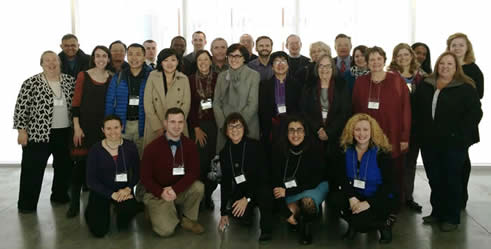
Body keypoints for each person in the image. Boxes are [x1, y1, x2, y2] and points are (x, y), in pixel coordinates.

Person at [415, 52, 482, 232]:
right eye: (442, 63)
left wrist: (460, 136)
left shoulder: (466, 87)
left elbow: (475, 114)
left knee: (451, 179)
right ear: (437, 65)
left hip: (454, 143)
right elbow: (417, 111)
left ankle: (451, 217)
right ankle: (437, 212)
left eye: (449, 64)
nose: (445, 66)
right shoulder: (426, 85)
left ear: (456, 67)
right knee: (435, 179)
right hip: (429, 142)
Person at [14, 51, 75, 213]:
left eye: (54, 60)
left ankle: (59, 195)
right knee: (32, 170)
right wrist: (21, 131)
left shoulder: (70, 81)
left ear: (60, 62)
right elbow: (21, 109)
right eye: (47, 60)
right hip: (38, 134)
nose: (51, 63)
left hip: (64, 133)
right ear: (41, 63)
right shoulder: (31, 82)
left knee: (64, 167)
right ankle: (27, 204)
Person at [352, 46, 411, 208]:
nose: (375, 62)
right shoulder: (360, 82)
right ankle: (370, 203)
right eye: (372, 59)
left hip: (392, 135)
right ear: (367, 62)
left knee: (392, 172)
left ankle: (392, 207)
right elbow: (356, 111)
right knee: (370, 169)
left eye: (379, 59)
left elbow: (406, 110)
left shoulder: (397, 81)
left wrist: (405, 137)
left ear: (384, 60)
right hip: (367, 137)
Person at [332, 113, 396, 244]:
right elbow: (342, 178)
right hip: (356, 195)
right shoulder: (344, 150)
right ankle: (353, 224)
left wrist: (367, 203)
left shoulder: (382, 153)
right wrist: (352, 198)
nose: (361, 134)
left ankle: (385, 224)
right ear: (352, 131)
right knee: (334, 199)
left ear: (372, 132)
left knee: (362, 224)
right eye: (357, 129)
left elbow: (389, 185)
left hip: (377, 198)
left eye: (366, 129)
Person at [141, 108, 205, 237]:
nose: (177, 126)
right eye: (173, 122)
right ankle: (154, 210)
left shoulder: (190, 145)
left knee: (198, 187)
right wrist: (161, 192)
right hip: (157, 194)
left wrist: (175, 189)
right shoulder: (152, 148)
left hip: (178, 190)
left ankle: (187, 220)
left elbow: (193, 172)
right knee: (166, 231)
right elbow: (145, 178)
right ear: (165, 123)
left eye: (180, 122)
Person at [66, 45, 113, 218]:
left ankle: (99, 202)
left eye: (104, 56)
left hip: (103, 129)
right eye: (97, 56)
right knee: (80, 167)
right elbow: (76, 103)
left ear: (108, 59)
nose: (101, 59)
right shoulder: (83, 76)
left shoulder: (112, 78)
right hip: (84, 128)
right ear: (93, 58)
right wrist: (77, 127)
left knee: (101, 167)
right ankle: (73, 205)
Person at [272, 116, 329, 245]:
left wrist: (288, 192)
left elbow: (314, 180)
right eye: (291, 130)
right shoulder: (278, 150)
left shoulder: (314, 149)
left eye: (299, 130)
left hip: (314, 187)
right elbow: (275, 182)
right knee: (291, 212)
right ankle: (298, 218)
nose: (295, 134)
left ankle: (306, 228)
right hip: (288, 190)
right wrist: (286, 213)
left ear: (305, 132)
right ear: (286, 133)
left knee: (307, 203)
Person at [217, 113, 273, 242]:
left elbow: (262, 176)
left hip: (259, 187)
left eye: (238, 126)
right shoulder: (224, 153)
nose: (235, 130)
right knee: (241, 217)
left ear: (244, 128)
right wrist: (223, 212)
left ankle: (266, 229)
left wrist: (247, 198)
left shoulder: (255, 146)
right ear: (226, 130)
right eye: (231, 127)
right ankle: (248, 211)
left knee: (265, 194)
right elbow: (225, 182)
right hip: (241, 189)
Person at [299, 53, 351, 186]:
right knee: (316, 172)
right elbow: (304, 111)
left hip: (335, 136)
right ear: (317, 68)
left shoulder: (341, 85)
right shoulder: (308, 86)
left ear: (333, 68)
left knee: (334, 172)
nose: (324, 69)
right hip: (314, 135)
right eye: (321, 66)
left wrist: (329, 131)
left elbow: (344, 112)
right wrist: (318, 129)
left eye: (328, 66)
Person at [84, 115, 140, 237]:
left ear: (122, 127)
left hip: (123, 191)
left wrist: (128, 188)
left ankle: (120, 215)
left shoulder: (130, 147)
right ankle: (91, 211)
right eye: (108, 128)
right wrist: (111, 194)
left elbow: (137, 172)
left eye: (116, 127)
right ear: (103, 130)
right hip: (101, 191)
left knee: (129, 211)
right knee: (99, 231)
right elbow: (91, 180)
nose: (113, 132)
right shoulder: (95, 150)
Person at [447, 33, 484, 209]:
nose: (457, 48)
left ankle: (461, 197)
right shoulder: (447, 66)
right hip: (446, 123)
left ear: (467, 47)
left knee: (462, 159)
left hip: (464, 123)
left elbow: (479, 95)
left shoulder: (473, 70)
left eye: (461, 45)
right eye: (454, 45)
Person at [387, 43, 426, 213]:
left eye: (406, 54)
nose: (403, 58)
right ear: (395, 58)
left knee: (410, 164)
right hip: (394, 127)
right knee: (393, 164)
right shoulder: (389, 76)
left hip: (416, 127)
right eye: (399, 55)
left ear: (411, 56)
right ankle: (392, 198)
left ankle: (407, 198)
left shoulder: (422, 77)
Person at [105, 43, 152, 155]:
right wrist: (109, 125)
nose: (134, 58)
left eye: (138, 54)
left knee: (142, 158)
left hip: (144, 125)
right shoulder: (119, 76)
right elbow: (110, 101)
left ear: (144, 57)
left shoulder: (151, 76)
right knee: (123, 158)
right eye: (130, 54)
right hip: (123, 125)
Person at [213, 43, 260, 152]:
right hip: (225, 127)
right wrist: (225, 126)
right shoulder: (222, 76)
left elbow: (253, 104)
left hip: (247, 126)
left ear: (244, 58)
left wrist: (238, 126)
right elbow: (216, 103)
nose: (234, 59)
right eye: (231, 56)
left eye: (238, 56)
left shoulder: (253, 75)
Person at [188, 50, 219, 210]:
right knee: (199, 162)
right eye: (200, 60)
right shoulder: (190, 80)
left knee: (213, 162)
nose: (203, 62)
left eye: (206, 59)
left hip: (215, 125)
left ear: (210, 61)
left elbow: (221, 101)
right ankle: (198, 197)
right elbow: (190, 106)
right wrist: (196, 127)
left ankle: (209, 195)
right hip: (198, 125)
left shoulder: (218, 78)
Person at [143, 48, 191, 148]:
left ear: (178, 62)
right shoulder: (152, 76)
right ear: (160, 62)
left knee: (177, 157)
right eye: (165, 60)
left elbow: (186, 104)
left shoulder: (184, 78)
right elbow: (148, 103)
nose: (170, 64)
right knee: (155, 157)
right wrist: (158, 127)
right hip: (155, 125)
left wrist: (175, 124)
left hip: (177, 126)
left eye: (173, 60)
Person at [259, 51, 301, 163]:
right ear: (272, 67)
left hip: (292, 126)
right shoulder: (264, 85)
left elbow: (299, 107)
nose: (280, 64)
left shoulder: (297, 85)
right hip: (272, 127)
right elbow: (262, 110)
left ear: (288, 65)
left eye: (283, 61)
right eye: (276, 61)